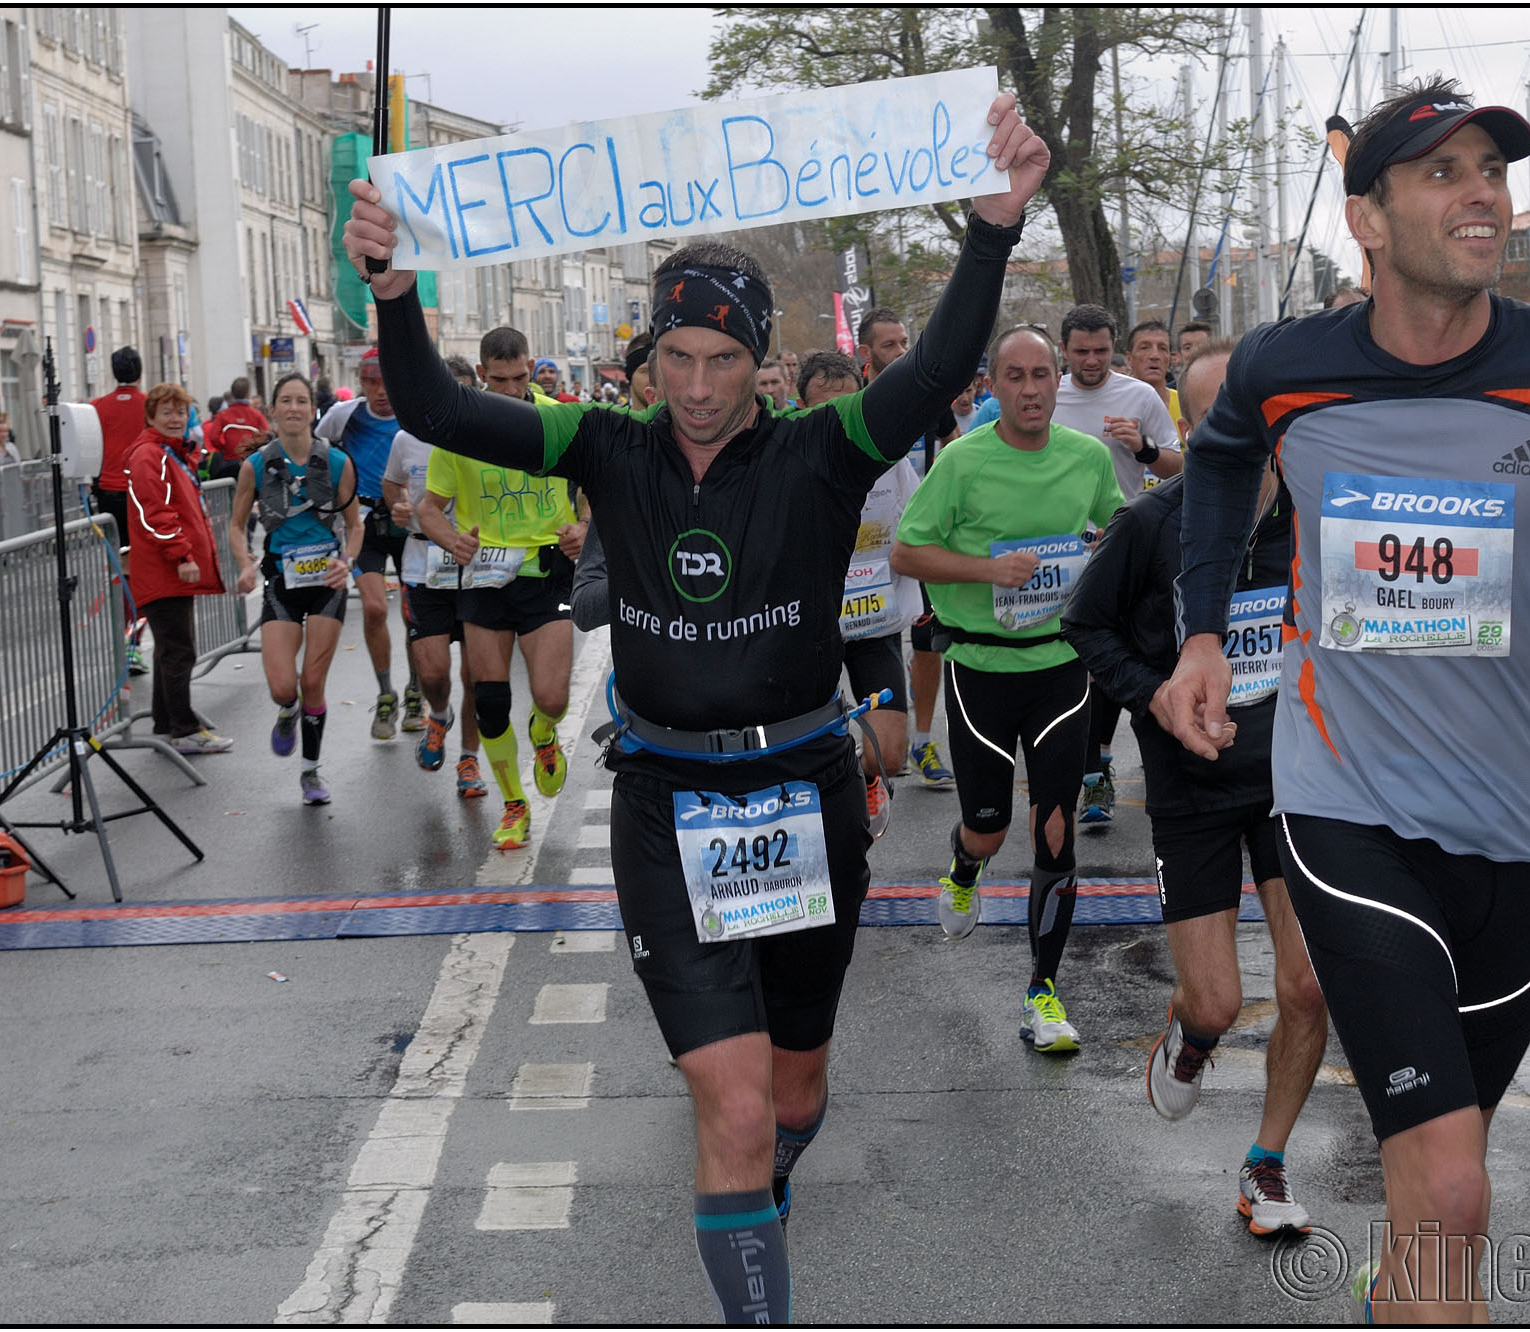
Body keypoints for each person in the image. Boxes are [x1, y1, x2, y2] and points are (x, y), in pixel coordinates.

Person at [346, 89, 1046, 1325]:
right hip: (667, 801)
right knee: (725, 1110)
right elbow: (447, 413)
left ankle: (762, 1183)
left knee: (787, 1097)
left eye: (725, 361)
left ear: (763, 361)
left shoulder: (824, 448)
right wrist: (395, 295)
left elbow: (939, 368)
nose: (700, 386)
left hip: (805, 795)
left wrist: (991, 232)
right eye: (677, 358)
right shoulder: (604, 447)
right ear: (646, 356)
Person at [1160, 78, 1530, 1320]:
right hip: (1344, 804)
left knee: (1440, 1180)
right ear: (1366, 218)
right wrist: (1200, 635)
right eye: (1443, 172)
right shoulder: (1285, 368)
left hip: (1523, 828)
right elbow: (1216, 468)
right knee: (1455, 1185)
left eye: (1491, 168)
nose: (1481, 192)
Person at [1063, 338, 1329, 1236]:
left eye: (1257, 415)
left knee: (1307, 986)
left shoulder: (1319, 515)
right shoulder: (1152, 523)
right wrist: (1157, 699)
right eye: (1220, 416)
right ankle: (1194, 1038)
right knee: (1217, 997)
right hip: (1192, 789)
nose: (1243, 432)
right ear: (1191, 425)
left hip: (1298, 786)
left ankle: (1267, 1166)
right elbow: (1086, 627)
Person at [893, 324, 1127, 1055]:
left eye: (1041, 375)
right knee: (990, 828)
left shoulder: (1087, 458)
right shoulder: (962, 463)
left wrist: (1104, 546)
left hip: (1060, 667)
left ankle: (1042, 994)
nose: (1030, 389)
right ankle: (965, 865)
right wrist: (988, 572)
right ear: (992, 386)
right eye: (1015, 377)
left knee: (1055, 832)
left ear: (1060, 382)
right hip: (981, 671)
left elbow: (1117, 525)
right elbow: (907, 548)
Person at [416, 328, 586, 850]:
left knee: (552, 697)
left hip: (547, 566)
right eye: (499, 380)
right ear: (482, 373)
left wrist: (584, 527)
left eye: (520, 378)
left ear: (531, 367)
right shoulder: (461, 428)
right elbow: (428, 508)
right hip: (484, 573)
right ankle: (514, 805)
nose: (511, 390)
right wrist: (452, 541)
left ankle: (543, 729)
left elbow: (597, 485)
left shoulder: (558, 418)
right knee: (489, 702)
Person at [1053, 304, 1181, 826]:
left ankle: (1105, 766)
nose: (1091, 361)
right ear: (1065, 350)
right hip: (1056, 548)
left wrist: (1144, 447)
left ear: (1114, 350)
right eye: (1081, 352)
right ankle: (1088, 770)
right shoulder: (1048, 393)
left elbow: (1179, 465)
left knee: (1113, 657)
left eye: (1101, 351)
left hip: (1120, 542)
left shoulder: (1139, 395)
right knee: (1073, 666)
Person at [230, 372, 362, 805]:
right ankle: (287, 712)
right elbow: (235, 525)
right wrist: (246, 564)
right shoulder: (255, 466)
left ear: (312, 409)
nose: (293, 408)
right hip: (280, 582)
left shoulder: (337, 462)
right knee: (284, 686)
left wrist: (347, 562)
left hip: (327, 581)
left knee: (313, 681)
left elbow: (355, 526)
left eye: (301, 400)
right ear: (273, 410)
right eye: (285, 400)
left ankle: (310, 773)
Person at [800, 350, 914, 837]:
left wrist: (925, 596)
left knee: (888, 753)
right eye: (824, 410)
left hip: (873, 624)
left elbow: (919, 530)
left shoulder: (890, 460)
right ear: (801, 408)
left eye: (848, 407)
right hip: (803, 628)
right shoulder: (780, 460)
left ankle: (864, 777)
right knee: (805, 755)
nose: (837, 421)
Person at [859, 306, 960, 789]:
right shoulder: (851, 400)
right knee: (867, 638)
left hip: (915, 535)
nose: (901, 352)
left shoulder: (926, 397)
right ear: (866, 354)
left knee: (926, 639)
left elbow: (953, 449)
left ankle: (923, 741)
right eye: (889, 345)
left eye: (905, 343)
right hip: (863, 546)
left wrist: (938, 504)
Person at [384, 355, 487, 798]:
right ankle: (438, 714)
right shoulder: (408, 440)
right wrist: (400, 506)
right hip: (423, 568)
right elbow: (392, 485)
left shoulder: (489, 439)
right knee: (434, 673)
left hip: (481, 571)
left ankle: (469, 760)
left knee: (478, 677)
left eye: (463, 392)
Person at [123, 382, 232, 755]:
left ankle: (167, 722)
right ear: (150, 416)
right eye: (166, 412)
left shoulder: (166, 453)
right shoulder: (149, 456)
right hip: (164, 571)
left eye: (180, 412)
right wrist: (182, 556)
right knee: (178, 650)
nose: (175, 419)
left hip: (167, 571)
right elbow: (154, 515)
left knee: (170, 648)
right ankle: (184, 730)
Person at [318, 348, 419, 737]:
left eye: (387, 383)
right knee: (375, 609)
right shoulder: (344, 416)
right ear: (361, 382)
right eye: (372, 382)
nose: (381, 392)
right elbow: (315, 452)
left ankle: (414, 690)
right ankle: (385, 694)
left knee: (414, 613)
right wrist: (330, 502)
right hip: (363, 525)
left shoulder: (414, 416)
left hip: (407, 524)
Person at [90, 346, 147, 675]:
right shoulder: (149, 405)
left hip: (109, 493)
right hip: (141, 491)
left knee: (120, 568)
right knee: (142, 570)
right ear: (138, 372)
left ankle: (125, 641)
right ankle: (132, 643)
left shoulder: (97, 407)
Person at [1125, 320, 1185, 438]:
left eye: (1162, 348)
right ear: (1129, 358)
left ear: (1169, 359)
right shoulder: (1116, 405)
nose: (1154, 356)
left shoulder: (1184, 405)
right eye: (1144, 348)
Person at [204, 376, 271, 481]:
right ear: (248, 394)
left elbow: (213, 437)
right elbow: (267, 435)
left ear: (232, 394)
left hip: (230, 462)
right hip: (252, 461)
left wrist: (225, 447)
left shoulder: (223, 415)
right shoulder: (256, 415)